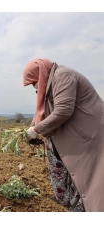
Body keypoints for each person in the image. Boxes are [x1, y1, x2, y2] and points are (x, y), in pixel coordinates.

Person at [23, 58, 104, 212]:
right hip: (65, 134)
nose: (34, 86)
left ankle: (81, 208)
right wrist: (32, 126)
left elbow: (63, 110)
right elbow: (41, 109)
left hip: (84, 135)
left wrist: (37, 130)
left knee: (82, 174)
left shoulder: (63, 76)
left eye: (34, 82)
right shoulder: (48, 83)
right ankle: (65, 199)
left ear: (40, 74)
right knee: (60, 166)